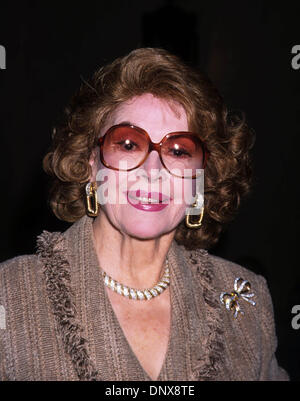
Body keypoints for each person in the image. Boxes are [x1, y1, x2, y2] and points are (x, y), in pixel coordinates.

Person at [0, 48, 289, 381]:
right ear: (91, 164)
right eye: (127, 144)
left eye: (179, 151)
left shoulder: (245, 302)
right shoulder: (11, 294)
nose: (153, 171)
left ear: (201, 179)